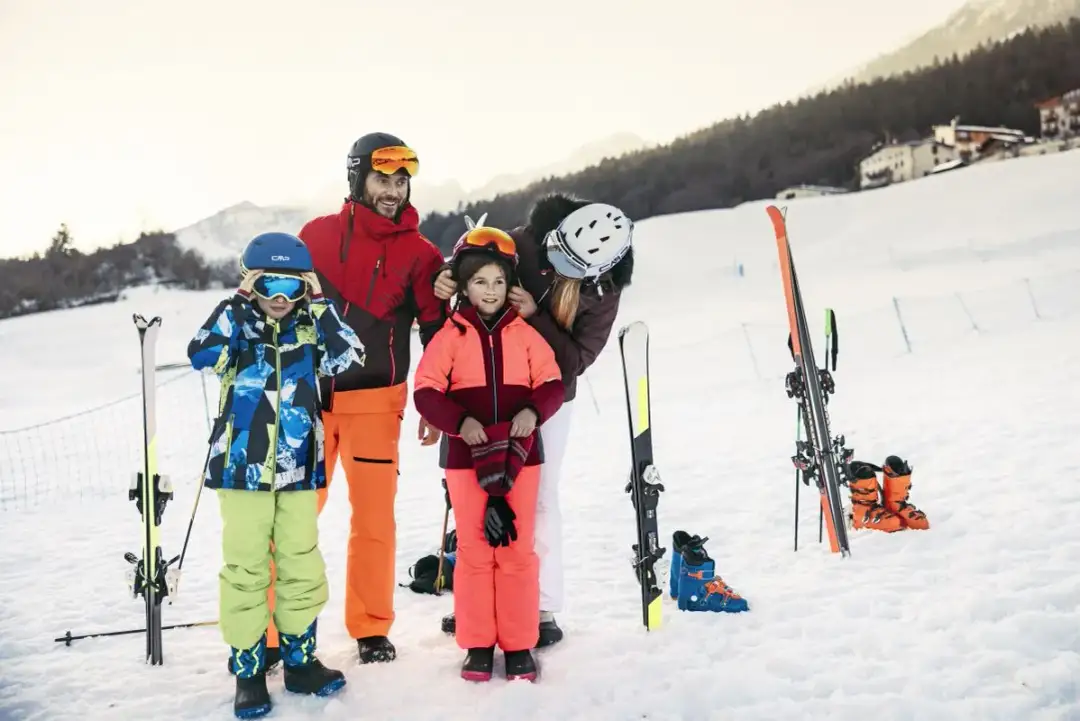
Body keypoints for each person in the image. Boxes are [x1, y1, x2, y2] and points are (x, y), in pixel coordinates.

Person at [260, 132, 447, 665]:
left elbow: (437, 333)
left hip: (376, 404)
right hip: (309, 403)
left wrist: (434, 402)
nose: (393, 191)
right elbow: (281, 311)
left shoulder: (422, 254)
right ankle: (271, 634)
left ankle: (370, 627)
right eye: (382, 179)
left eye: (401, 181)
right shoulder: (314, 237)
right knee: (291, 518)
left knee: (374, 522)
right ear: (357, 178)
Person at [432, 193, 635, 647]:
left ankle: (540, 607)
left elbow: (576, 361)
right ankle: (478, 604)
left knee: (538, 497)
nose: (554, 264)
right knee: (474, 494)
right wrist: (441, 278)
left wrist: (536, 317)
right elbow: (471, 264)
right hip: (484, 384)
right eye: (555, 251)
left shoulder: (602, 292)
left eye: (569, 265)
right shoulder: (525, 242)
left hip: (547, 399)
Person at [187, 232, 366, 718]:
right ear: (251, 284)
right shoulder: (237, 326)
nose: (281, 298)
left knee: (300, 563)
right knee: (246, 568)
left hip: (298, 467)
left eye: (293, 286)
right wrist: (237, 302)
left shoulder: (311, 327)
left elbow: (350, 355)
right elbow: (201, 352)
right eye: (270, 285)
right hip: (241, 469)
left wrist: (321, 303)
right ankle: (248, 671)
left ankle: (300, 663)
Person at [413, 225, 564, 681]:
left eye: (499, 281)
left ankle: (519, 643)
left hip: (521, 456)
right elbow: (426, 390)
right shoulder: (450, 335)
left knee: (516, 550)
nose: (491, 290)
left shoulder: (525, 334)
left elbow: (552, 382)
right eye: (480, 281)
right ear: (463, 285)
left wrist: (533, 412)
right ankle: (477, 643)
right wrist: (460, 422)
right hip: (466, 459)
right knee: (476, 551)